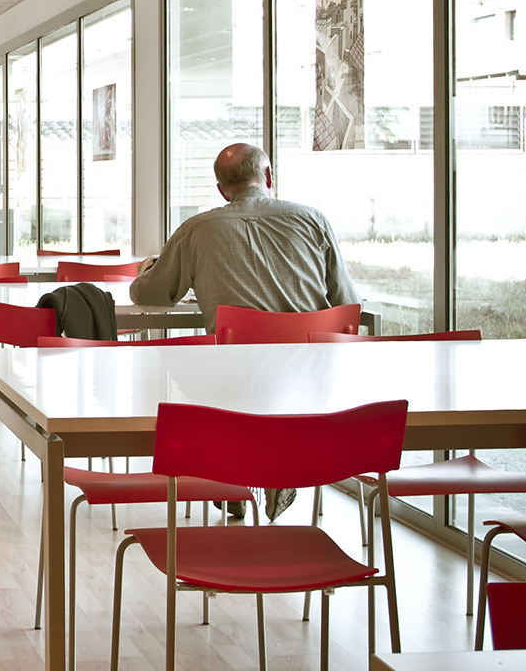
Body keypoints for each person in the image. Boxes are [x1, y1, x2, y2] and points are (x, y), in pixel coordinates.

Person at [130, 142, 359, 519]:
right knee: (256, 377)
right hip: (308, 381)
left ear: (222, 190)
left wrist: (148, 269)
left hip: (232, 384)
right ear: (268, 176)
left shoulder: (198, 228)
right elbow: (348, 303)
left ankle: (233, 469)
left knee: (200, 367)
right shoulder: (313, 220)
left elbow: (150, 295)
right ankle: (274, 464)